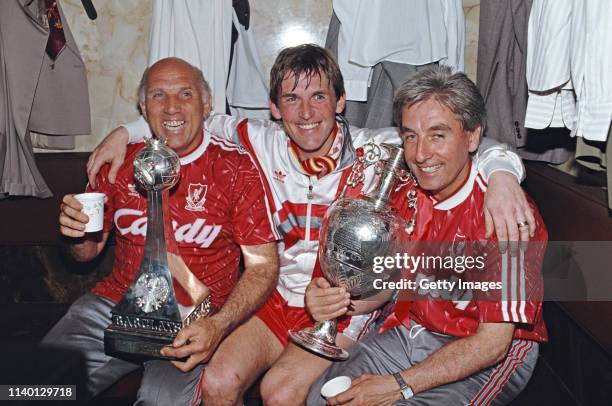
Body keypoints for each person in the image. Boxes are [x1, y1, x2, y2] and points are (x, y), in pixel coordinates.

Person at [86, 45, 536, 405]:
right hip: (278, 295)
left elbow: (457, 139)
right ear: (274, 108)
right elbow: (182, 119)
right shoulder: (256, 139)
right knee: (219, 382)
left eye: (319, 96)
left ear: (340, 101)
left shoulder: (378, 149)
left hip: (342, 306)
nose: (306, 113)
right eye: (291, 99)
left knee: (281, 392)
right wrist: (125, 133)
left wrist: (501, 175)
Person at [306, 65, 548, 406]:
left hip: (489, 350)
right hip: (415, 328)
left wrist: (397, 385)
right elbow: (391, 285)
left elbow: (493, 342)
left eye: (438, 135)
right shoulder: (406, 193)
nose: (420, 154)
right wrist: (336, 300)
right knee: (321, 398)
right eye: (410, 136)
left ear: (473, 137)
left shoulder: (505, 216)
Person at [42, 57, 279, 404]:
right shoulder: (118, 165)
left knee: (160, 400)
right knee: (35, 385)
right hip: (114, 305)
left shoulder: (235, 168)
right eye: (158, 95)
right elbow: (86, 253)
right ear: (142, 106)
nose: (172, 107)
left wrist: (218, 325)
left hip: (197, 318)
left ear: (207, 104)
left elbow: (263, 266)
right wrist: (75, 234)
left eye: (185, 94)